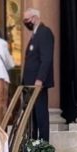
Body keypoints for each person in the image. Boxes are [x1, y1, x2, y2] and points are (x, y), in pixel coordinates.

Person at [21, 8, 54, 142]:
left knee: (40, 114)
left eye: (27, 20)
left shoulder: (44, 33)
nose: (26, 23)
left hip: (37, 83)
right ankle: (33, 141)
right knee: (32, 115)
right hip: (29, 83)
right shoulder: (35, 35)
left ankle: (43, 143)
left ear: (34, 18)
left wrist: (40, 79)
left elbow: (46, 58)